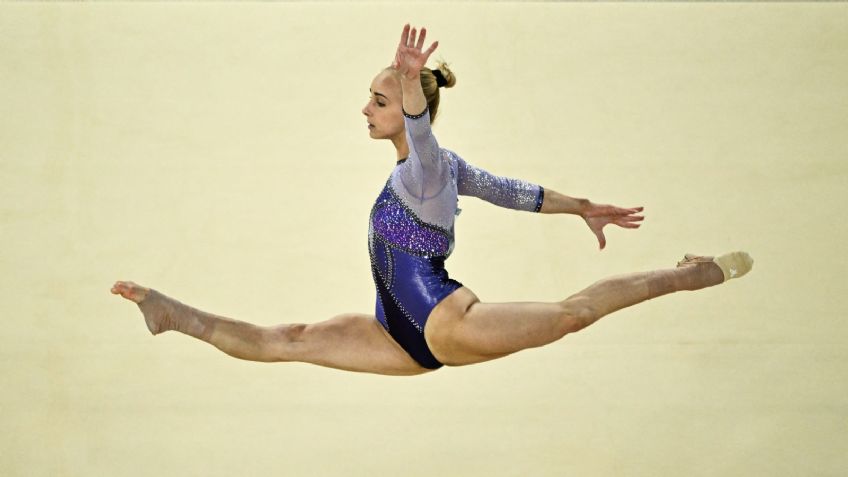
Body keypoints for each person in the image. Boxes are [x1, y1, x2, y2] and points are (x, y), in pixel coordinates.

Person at [111, 24, 753, 376]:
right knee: (289, 339)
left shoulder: (424, 165)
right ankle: (177, 315)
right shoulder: (441, 170)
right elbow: (515, 193)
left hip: (446, 323)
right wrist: (580, 204)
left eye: (380, 101)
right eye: (372, 96)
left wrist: (412, 93)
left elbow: (424, 136)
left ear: (411, 108)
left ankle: (689, 274)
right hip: (393, 332)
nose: (367, 107)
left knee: (571, 314)